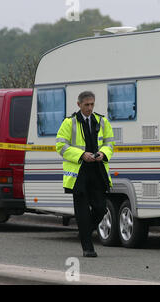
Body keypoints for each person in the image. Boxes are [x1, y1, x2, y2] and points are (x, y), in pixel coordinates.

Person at [56, 91, 114, 257]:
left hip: (97, 170)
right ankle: (88, 248)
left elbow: (110, 143)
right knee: (82, 212)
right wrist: (81, 155)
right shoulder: (69, 122)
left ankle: (85, 232)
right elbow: (61, 146)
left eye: (92, 104)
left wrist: (103, 153)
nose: (90, 108)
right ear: (79, 104)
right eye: (87, 104)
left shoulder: (102, 121)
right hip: (78, 173)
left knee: (101, 208)